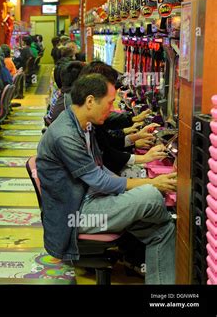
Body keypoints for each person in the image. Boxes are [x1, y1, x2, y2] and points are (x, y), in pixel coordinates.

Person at [36, 73, 176, 284]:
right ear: (90, 101)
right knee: (151, 196)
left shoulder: (84, 126)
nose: (112, 109)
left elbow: (101, 170)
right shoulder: (65, 134)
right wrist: (151, 183)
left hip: (91, 200)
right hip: (76, 215)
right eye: (109, 103)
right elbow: (100, 181)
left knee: (163, 229)